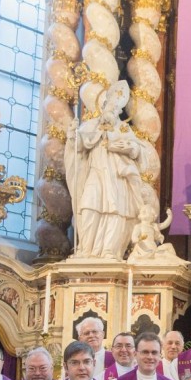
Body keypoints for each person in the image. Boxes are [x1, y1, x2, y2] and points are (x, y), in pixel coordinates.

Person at [65, 80, 148, 259]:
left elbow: (138, 151)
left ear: (119, 112)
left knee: (116, 210)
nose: (111, 111)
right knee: (88, 205)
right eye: (109, 106)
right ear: (102, 105)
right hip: (95, 172)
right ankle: (86, 249)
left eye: (116, 109)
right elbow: (79, 146)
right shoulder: (90, 126)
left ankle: (110, 251)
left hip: (117, 176)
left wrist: (125, 146)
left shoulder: (124, 128)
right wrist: (73, 136)